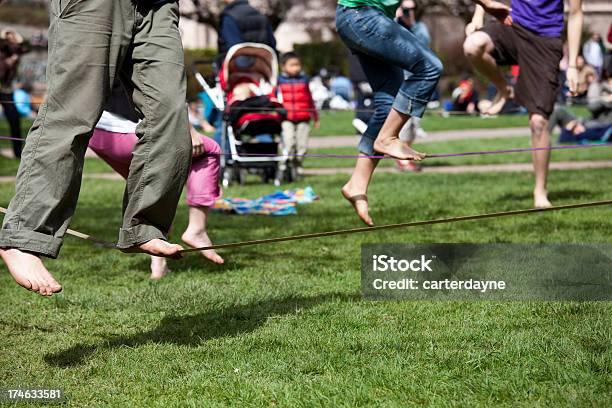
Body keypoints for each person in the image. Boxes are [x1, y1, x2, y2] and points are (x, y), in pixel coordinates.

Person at [0, 0, 192, 296]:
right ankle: (23, 238)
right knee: (72, 115)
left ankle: (144, 225)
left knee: (170, 117)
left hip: (158, 4)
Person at [336, 0, 511, 226]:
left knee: (389, 104)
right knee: (429, 67)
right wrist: (486, 4)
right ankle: (388, 138)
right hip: (362, 16)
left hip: (357, 18)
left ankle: (357, 184)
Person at [89, 87, 224, 280]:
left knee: (155, 187)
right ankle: (197, 229)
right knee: (210, 151)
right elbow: (167, 90)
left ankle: (158, 266)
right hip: (127, 132)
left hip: (98, 134)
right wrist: (191, 130)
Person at [463, 0, 584, 208]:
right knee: (473, 46)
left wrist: (572, 65)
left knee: (538, 122)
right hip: (513, 24)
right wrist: (477, 18)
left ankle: (540, 190)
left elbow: (575, 13)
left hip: (545, 40)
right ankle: (504, 89)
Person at [395, 0, 431, 172]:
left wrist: (412, 24)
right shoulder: (391, 25)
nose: (409, 12)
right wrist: (396, 18)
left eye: (412, 8)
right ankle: (402, 160)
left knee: (414, 123)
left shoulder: (419, 28)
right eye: (406, 9)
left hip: (417, 81)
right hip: (400, 81)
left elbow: (424, 44)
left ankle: (403, 156)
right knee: (403, 122)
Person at [277, 52, 319, 179]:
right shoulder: (279, 81)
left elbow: (309, 99)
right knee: (288, 143)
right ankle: (285, 166)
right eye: (292, 65)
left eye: (298, 65)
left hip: (303, 118)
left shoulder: (304, 80)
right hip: (286, 118)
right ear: (283, 67)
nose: (296, 68)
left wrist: (315, 117)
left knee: (302, 146)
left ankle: (298, 167)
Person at [0, 29, 29, 158]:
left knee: (14, 119)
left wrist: (18, 37)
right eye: (8, 38)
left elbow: (26, 48)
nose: (11, 39)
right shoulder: (2, 49)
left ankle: (18, 153)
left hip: (6, 90)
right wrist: (3, 36)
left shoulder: (15, 51)